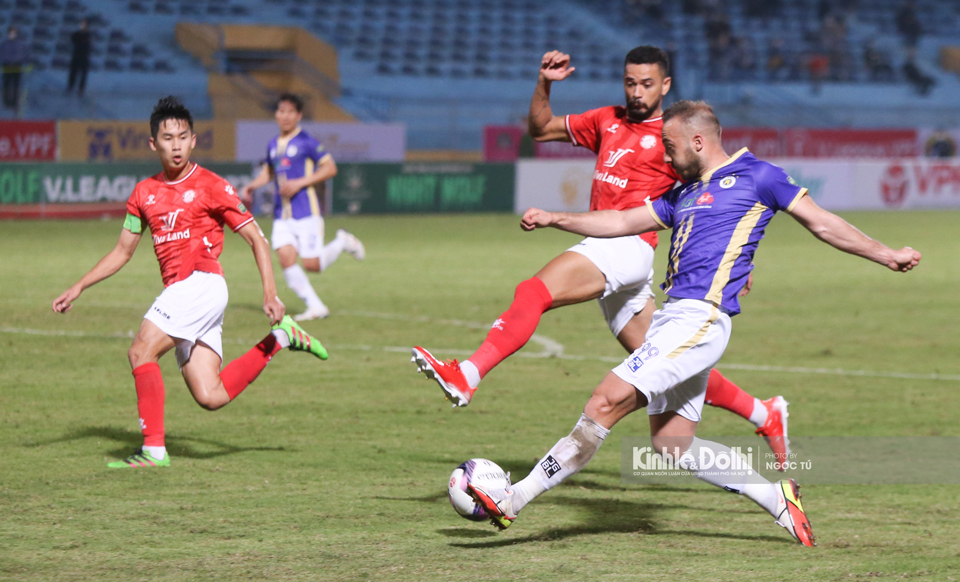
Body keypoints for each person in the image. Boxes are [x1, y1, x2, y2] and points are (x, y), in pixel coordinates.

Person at [467, 99, 921, 545]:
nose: (665, 155)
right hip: (673, 319)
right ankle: (776, 497)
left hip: (701, 320)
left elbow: (822, 223)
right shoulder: (683, 193)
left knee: (605, 401)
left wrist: (887, 254)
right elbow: (625, 218)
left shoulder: (759, 176)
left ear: (698, 141)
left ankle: (514, 499)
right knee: (672, 444)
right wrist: (557, 218)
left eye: (670, 146)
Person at [412, 47, 793, 463]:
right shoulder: (605, 119)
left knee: (534, 291)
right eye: (630, 82)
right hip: (612, 251)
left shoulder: (675, 138)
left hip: (626, 245)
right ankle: (764, 411)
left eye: (647, 84)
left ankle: (468, 374)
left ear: (665, 85)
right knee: (667, 364)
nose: (637, 92)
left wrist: (740, 260)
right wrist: (545, 84)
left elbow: (722, 192)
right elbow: (540, 129)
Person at [52, 96, 330, 469]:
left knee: (140, 352)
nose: (176, 145)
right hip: (182, 292)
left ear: (193, 140)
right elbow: (122, 251)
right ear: (154, 144)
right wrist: (79, 286)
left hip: (201, 283)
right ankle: (280, 339)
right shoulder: (143, 194)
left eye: (183, 136)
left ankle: (153, 451)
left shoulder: (212, 186)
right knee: (210, 394)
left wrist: (270, 292)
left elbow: (256, 238)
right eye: (168, 138)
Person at [240, 93, 365, 321]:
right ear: (276, 114)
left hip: (306, 211)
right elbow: (269, 172)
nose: (285, 116)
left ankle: (342, 242)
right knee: (286, 260)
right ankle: (316, 307)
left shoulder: (307, 141)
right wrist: (251, 186)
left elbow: (330, 168)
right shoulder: (272, 144)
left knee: (312, 265)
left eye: (290, 112)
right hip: (282, 214)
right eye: (281, 111)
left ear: (298, 115)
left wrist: (300, 182)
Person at [0, 26, 28, 110]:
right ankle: (6, 102)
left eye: (14, 33)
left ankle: (15, 102)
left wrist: (19, 61)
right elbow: (1, 54)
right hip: (7, 65)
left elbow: (24, 54)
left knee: (16, 85)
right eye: (10, 33)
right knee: (6, 85)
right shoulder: (4, 44)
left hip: (17, 66)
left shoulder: (21, 44)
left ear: (16, 34)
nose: (12, 34)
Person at [67, 18, 92, 97]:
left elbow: (87, 44)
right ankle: (70, 87)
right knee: (73, 73)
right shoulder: (76, 34)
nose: (83, 26)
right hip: (76, 56)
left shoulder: (88, 35)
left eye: (84, 24)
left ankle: (81, 90)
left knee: (83, 75)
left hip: (84, 57)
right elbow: (73, 40)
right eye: (82, 24)